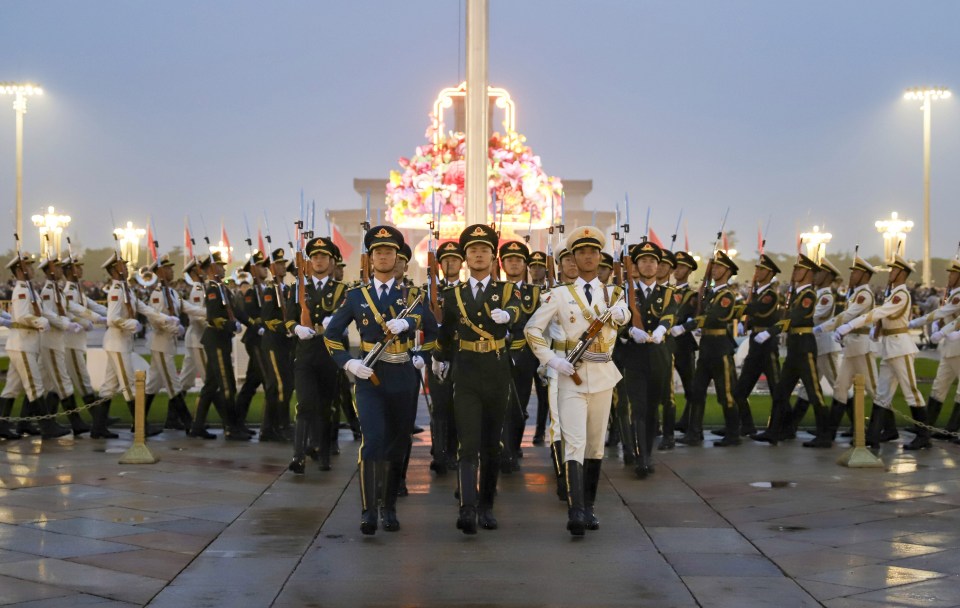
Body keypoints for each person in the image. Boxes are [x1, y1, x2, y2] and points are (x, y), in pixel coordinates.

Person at [524, 226, 629, 535]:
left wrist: (621, 313)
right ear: (572, 257)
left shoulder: (615, 294)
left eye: (593, 252)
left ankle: (590, 507)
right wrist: (552, 360)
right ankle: (575, 510)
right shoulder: (557, 295)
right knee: (574, 442)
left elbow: (624, 317)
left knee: (595, 446)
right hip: (571, 373)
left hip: (603, 374)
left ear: (600, 257)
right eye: (581, 252)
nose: (587, 256)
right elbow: (532, 330)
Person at [324, 225, 428, 534]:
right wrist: (349, 362)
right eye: (378, 252)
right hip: (369, 376)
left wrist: (415, 338)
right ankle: (369, 510)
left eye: (389, 252)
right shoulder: (356, 296)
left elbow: (427, 323)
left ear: (397, 258)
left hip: (402, 376)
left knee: (397, 443)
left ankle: (389, 506)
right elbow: (332, 335)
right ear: (370, 258)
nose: (384, 256)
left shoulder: (411, 294)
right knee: (373, 442)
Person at [433, 224, 522, 534]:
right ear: (465, 257)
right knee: (468, 443)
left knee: (492, 445)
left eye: (484, 249)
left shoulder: (507, 291)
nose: (479, 254)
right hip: (467, 370)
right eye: (473, 250)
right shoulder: (452, 294)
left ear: (493, 256)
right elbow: (446, 332)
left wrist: (509, 315)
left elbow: (519, 310)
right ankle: (467, 508)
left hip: (497, 370)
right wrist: (440, 358)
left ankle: (486, 506)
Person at [834, 254, 929, 450]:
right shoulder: (894, 293)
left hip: (900, 347)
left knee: (911, 391)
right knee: (882, 394)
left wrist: (851, 324)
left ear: (902, 273)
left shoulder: (901, 294)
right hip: (889, 347)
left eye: (894, 270)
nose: (891, 272)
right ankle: (874, 435)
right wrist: (876, 330)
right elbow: (882, 317)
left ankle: (924, 436)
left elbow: (879, 313)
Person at [286, 237, 347, 473]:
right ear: (309, 262)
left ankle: (323, 454)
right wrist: (296, 328)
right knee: (305, 403)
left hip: (330, 353)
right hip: (305, 353)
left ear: (332, 262)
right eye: (315, 257)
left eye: (324, 257)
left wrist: (337, 322)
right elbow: (289, 318)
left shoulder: (342, 289)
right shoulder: (298, 289)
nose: (319, 261)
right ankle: (298, 456)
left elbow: (347, 315)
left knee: (326, 406)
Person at [100, 252, 176, 437]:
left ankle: (97, 428)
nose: (126, 268)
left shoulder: (126, 289)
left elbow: (144, 308)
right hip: (117, 343)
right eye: (122, 266)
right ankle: (141, 426)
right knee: (130, 386)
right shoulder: (117, 290)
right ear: (114, 270)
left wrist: (165, 317)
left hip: (121, 343)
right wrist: (129, 323)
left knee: (109, 387)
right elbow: (111, 319)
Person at [753, 254, 825, 446]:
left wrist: (770, 331)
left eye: (799, 269)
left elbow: (795, 318)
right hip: (794, 347)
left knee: (813, 391)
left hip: (805, 347)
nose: (795, 272)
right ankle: (774, 431)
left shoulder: (808, 295)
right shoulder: (797, 294)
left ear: (809, 273)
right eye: (795, 269)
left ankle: (824, 435)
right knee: (781, 392)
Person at [618, 242, 676, 475]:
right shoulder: (625, 292)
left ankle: (648, 453)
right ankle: (642, 458)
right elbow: (616, 320)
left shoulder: (667, 293)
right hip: (634, 355)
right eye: (643, 261)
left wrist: (662, 329)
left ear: (658, 266)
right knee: (638, 407)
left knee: (652, 407)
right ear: (636, 265)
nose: (649, 265)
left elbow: (670, 314)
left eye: (653, 261)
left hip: (659, 355)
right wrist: (630, 331)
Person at [674, 250, 741, 447]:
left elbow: (711, 318)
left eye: (719, 267)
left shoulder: (726, 295)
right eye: (714, 267)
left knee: (725, 393)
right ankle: (694, 433)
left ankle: (733, 433)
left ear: (728, 271)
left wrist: (685, 326)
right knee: (696, 391)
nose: (714, 270)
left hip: (720, 348)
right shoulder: (712, 294)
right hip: (706, 348)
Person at [815, 255, 879, 440]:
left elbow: (847, 315)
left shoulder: (864, 295)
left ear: (865, 275)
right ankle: (829, 435)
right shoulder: (856, 294)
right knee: (840, 387)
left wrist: (823, 326)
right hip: (852, 346)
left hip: (862, 347)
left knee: (874, 389)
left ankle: (881, 432)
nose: (852, 276)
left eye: (856, 272)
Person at [0, 253, 61, 439]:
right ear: (20, 270)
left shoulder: (29, 288)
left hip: (24, 344)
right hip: (23, 344)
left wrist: (61, 321)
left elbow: (43, 311)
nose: (33, 268)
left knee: (12, 387)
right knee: (35, 387)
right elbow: (22, 316)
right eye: (29, 266)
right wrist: (39, 321)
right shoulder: (21, 290)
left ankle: (2, 426)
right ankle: (47, 427)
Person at [192, 252, 251, 441]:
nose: (224, 268)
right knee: (227, 385)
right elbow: (212, 317)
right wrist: (229, 325)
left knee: (210, 386)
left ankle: (197, 426)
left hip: (221, 340)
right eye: (220, 265)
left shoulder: (222, 287)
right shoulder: (212, 289)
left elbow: (236, 311)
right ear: (211, 268)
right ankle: (231, 428)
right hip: (216, 340)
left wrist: (254, 324)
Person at [728, 254, 782, 438]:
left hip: (768, 343)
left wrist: (734, 309)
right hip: (755, 342)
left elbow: (759, 309)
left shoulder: (771, 294)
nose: (757, 272)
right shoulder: (759, 292)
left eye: (761, 270)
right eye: (757, 269)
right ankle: (747, 425)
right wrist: (747, 324)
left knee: (777, 390)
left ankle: (777, 429)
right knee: (740, 390)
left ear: (770, 273)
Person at [499, 240, 541, 474]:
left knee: (518, 404)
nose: (514, 263)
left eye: (518, 260)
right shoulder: (494, 289)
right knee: (499, 404)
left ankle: (513, 447)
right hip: (497, 353)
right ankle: (503, 449)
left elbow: (537, 321)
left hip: (524, 354)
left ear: (525, 264)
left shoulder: (535, 293)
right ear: (502, 264)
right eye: (509, 260)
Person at [61, 255, 114, 438]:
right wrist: (89, 320)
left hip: (76, 341)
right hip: (71, 342)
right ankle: (97, 419)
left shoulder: (77, 289)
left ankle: (93, 420)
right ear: (69, 271)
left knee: (54, 385)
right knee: (82, 381)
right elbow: (70, 312)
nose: (81, 270)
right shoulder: (69, 290)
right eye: (77, 267)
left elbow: (90, 305)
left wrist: (111, 315)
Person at [907, 259, 960, 435]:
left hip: (957, 346)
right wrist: (939, 325)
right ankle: (925, 428)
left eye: (953, 273)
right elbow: (944, 315)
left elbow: (942, 313)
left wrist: (917, 321)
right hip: (950, 348)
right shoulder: (952, 294)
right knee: (938, 387)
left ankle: (954, 429)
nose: (949, 276)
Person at [791, 257, 842, 438]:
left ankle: (837, 428)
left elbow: (814, 317)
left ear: (827, 276)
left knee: (839, 385)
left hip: (825, 345)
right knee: (807, 387)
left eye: (819, 273)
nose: (816, 275)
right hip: (816, 346)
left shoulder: (826, 296)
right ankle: (792, 426)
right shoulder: (818, 293)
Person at [37, 255, 88, 436]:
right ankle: (76, 423)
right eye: (57, 268)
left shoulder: (57, 289)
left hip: (56, 341)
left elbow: (72, 307)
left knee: (49, 384)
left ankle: (44, 424)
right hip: (51, 341)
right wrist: (66, 324)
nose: (61, 271)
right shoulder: (49, 291)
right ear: (50, 271)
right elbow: (47, 313)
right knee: (62, 381)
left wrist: (94, 318)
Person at [425, 240, 463, 474]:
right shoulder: (428, 292)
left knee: (458, 406)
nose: (450, 263)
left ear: (462, 263)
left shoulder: (467, 291)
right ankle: (439, 453)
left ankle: (453, 451)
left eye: (455, 259)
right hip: (435, 355)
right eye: (446, 259)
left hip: (460, 356)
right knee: (439, 406)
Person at [143, 256, 192, 434]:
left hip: (167, 345)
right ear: (160, 272)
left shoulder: (171, 292)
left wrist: (205, 312)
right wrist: (172, 327)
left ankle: (138, 423)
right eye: (168, 269)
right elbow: (154, 320)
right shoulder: (157, 294)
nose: (172, 271)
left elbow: (186, 307)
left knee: (152, 385)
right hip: (161, 345)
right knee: (173, 385)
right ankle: (189, 423)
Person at [258, 248, 295, 442]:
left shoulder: (286, 289)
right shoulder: (270, 290)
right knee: (282, 385)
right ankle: (282, 426)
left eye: (283, 263)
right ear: (272, 267)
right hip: (273, 343)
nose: (283, 266)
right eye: (279, 264)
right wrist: (285, 327)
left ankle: (267, 429)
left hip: (285, 343)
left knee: (275, 386)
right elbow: (267, 319)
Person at [234, 252, 270, 436]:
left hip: (264, 340)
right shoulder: (251, 291)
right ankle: (269, 427)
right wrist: (257, 326)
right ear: (254, 269)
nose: (266, 268)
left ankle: (236, 423)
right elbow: (245, 313)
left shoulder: (267, 288)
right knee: (268, 380)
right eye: (262, 266)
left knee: (251, 383)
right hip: (255, 340)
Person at [671, 251, 699, 435]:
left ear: (689, 270)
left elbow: (698, 318)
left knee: (690, 386)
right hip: (667, 343)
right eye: (676, 266)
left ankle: (689, 421)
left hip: (683, 344)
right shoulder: (667, 291)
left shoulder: (693, 295)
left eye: (681, 267)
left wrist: (683, 327)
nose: (677, 270)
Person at [178, 257, 209, 399]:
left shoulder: (203, 287)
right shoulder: (198, 290)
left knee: (185, 378)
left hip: (196, 338)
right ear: (195, 272)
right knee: (208, 378)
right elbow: (196, 316)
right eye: (202, 268)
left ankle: (175, 414)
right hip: (199, 338)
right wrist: (212, 324)